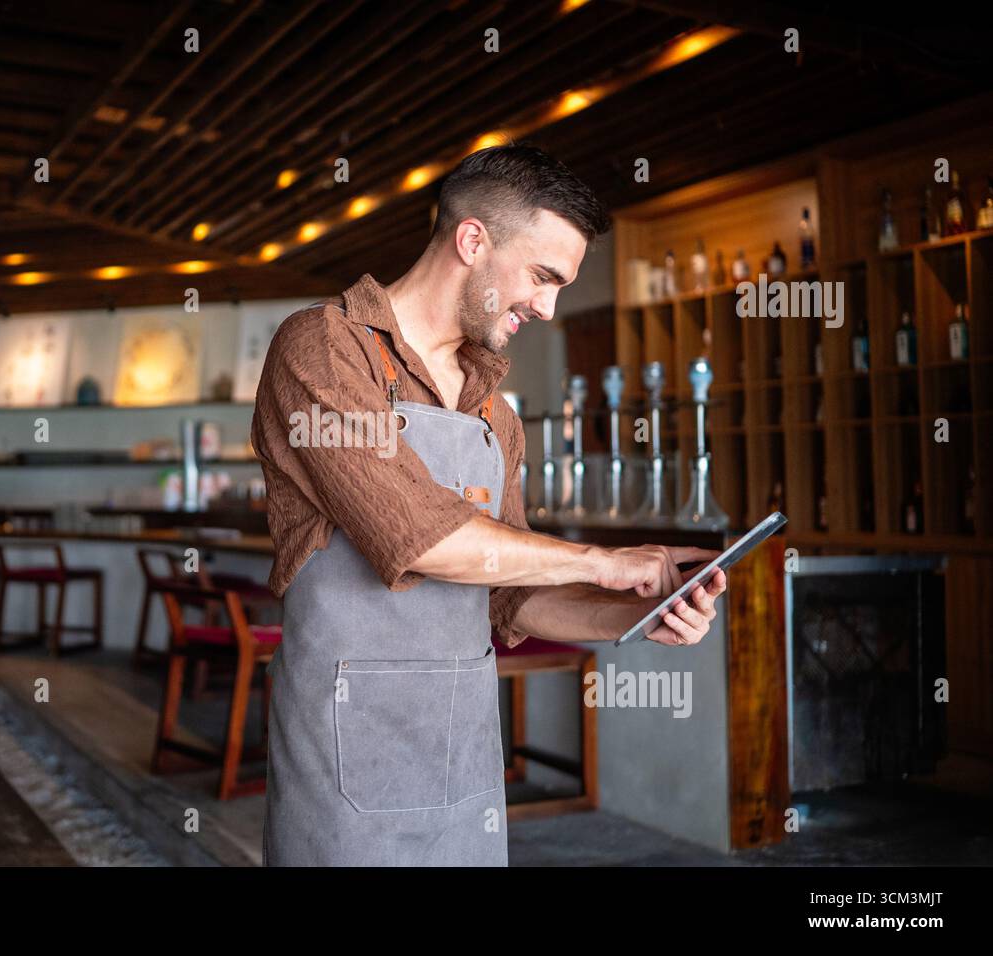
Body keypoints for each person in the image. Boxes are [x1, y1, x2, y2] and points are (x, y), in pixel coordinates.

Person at [251, 143, 726, 866]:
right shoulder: (322, 348)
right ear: (473, 240)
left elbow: (508, 598)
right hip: (342, 758)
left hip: (464, 753)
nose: (549, 305)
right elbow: (417, 536)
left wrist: (642, 612)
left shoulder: (493, 414)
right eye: (543, 276)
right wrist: (601, 561)